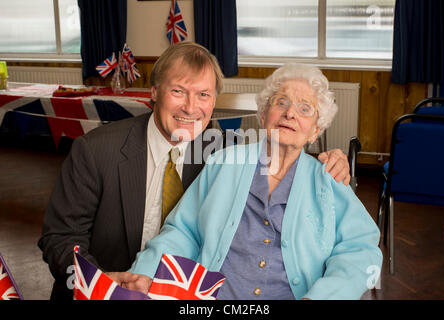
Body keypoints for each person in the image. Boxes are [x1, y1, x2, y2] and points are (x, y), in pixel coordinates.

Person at [38, 42, 351, 300]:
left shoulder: (226, 152)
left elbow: (284, 143)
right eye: (178, 91)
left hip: (180, 290)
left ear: (214, 100)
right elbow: (60, 238)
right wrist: (99, 283)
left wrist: (330, 159)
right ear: (155, 92)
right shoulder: (95, 151)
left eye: (203, 95)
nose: (191, 108)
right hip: (109, 288)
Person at [123, 63, 382, 300]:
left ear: (316, 130)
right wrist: (146, 272)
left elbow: (361, 251)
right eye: (281, 102)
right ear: (263, 115)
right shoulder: (223, 163)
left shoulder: (328, 178)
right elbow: (183, 230)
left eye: (305, 109)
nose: (290, 113)